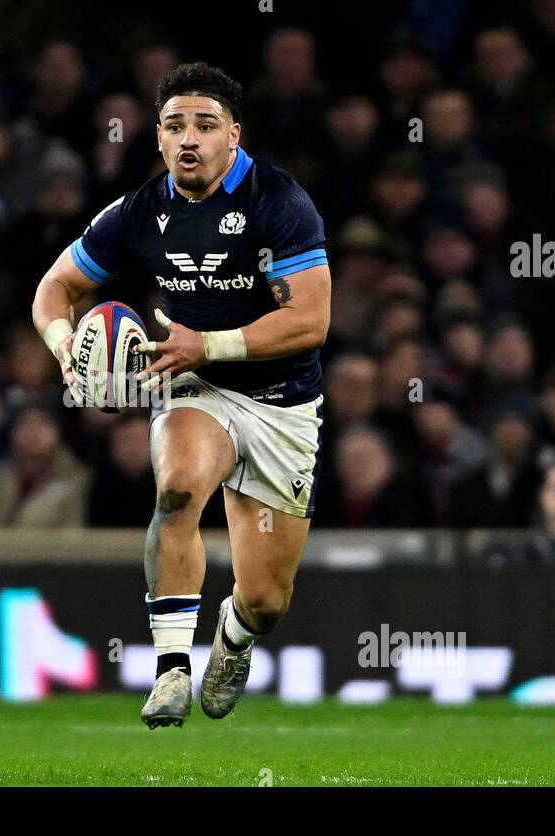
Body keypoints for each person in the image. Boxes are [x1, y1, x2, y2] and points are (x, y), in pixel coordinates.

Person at [30, 63, 330, 727]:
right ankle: (170, 667)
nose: (189, 138)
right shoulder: (139, 211)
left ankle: (235, 637)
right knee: (179, 485)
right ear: (158, 139)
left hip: (283, 402)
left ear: (234, 135)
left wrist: (211, 342)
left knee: (267, 599)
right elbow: (54, 288)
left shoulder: (277, 202)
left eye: (205, 124)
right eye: (174, 126)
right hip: (195, 384)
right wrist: (64, 349)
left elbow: (310, 319)